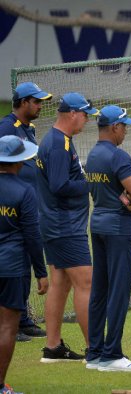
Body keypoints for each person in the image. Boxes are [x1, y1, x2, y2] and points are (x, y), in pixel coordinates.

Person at [84, 106, 131, 372]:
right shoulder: (118, 155)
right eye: (124, 126)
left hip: (99, 224)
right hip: (121, 230)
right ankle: (112, 355)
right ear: (114, 127)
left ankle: (94, 353)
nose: (125, 130)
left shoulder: (92, 154)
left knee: (100, 290)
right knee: (118, 290)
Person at [36, 92, 99, 363]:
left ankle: (53, 347)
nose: (86, 120)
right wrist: (90, 184)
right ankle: (95, 350)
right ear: (72, 113)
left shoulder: (57, 140)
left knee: (60, 284)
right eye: (85, 114)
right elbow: (59, 185)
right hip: (65, 227)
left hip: (54, 224)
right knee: (86, 283)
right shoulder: (59, 144)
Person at [0, 82, 52, 342]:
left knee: (23, 260)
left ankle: (22, 318)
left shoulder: (27, 129)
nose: (40, 105)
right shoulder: (7, 129)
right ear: (22, 102)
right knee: (13, 263)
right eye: (36, 101)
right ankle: (14, 321)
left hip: (29, 204)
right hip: (13, 206)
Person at [0, 136, 45, 394]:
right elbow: (32, 235)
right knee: (7, 327)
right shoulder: (24, 191)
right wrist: (41, 272)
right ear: (18, 161)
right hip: (12, 267)